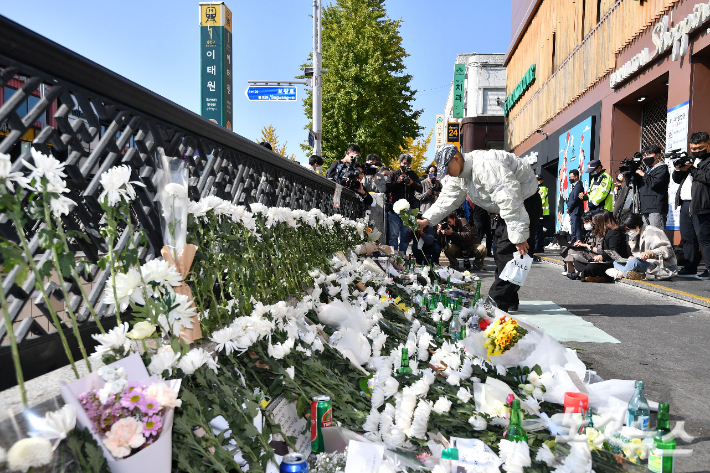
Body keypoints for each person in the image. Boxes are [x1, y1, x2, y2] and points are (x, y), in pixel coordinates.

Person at [417, 144, 541, 312]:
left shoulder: (486, 166)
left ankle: (496, 303)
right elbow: (447, 199)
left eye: (446, 168)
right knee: (498, 249)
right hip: (506, 206)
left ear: (456, 158)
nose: (446, 173)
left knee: (509, 252)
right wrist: (426, 220)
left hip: (523, 201)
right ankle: (511, 298)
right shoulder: (459, 175)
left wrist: (519, 237)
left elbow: (510, 199)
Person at [673, 131, 710, 279]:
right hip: (686, 204)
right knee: (688, 237)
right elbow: (677, 180)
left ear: (708, 144)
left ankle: (709, 268)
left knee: (705, 237)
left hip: (702, 204)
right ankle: (690, 267)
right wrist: (678, 169)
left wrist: (691, 169)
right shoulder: (691, 161)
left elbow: (707, 177)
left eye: (699, 148)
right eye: (693, 149)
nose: (696, 151)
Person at [606, 213, 678, 281]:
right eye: (625, 230)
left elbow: (667, 251)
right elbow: (638, 256)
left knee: (633, 262)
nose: (627, 232)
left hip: (661, 266)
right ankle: (639, 274)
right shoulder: (634, 236)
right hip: (645, 264)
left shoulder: (652, 231)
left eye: (628, 229)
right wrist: (634, 257)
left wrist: (650, 253)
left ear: (636, 225)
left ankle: (619, 274)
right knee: (617, 262)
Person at [569, 211, 628, 282]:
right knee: (578, 262)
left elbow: (614, 252)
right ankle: (586, 274)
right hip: (605, 260)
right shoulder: (606, 232)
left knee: (591, 267)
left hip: (613, 263)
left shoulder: (614, 234)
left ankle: (582, 274)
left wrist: (602, 257)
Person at [386, 154, 423, 253]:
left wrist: (412, 183)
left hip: (408, 209)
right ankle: (394, 256)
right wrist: (397, 182)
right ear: (399, 163)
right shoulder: (393, 174)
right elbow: (387, 188)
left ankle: (402, 255)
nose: (406, 166)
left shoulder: (413, 175)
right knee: (393, 234)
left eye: (408, 164)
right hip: (394, 209)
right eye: (404, 163)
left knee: (405, 235)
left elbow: (420, 189)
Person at [637, 144, 670, 230]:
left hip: (656, 208)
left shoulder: (662, 168)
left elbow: (654, 183)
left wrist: (643, 174)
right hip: (644, 207)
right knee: (647, 236)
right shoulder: (646, 170)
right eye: (644, 155)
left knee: (656, 236)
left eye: (649, 154)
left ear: (657, 155)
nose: (646, 157)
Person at [560, 211, 597, 276]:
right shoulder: (587, 232)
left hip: (593, 255)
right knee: (570, 248)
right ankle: (569, 270)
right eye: (584, 222)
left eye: (588, 221)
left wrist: (584, 245)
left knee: (572, 251)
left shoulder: (597, 233)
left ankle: (570, 271)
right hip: (587, 252)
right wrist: (580, 243)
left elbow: (596, 248)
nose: (586, 224)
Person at [567, 170, 585, 241]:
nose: (570, 178)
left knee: (576, 229)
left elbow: (575, 199)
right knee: (574, 229)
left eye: (571, 177)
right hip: (574, 212)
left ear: (576, 176)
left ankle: (576, 243)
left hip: (576, 211)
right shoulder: (575, 186)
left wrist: (570, 208)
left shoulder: (578, 186)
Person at [534, 175, 550, 253]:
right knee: (537, 230)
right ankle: (537, 246)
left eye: (538, 180)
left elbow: (541, 201)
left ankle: (539, 247)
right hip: (538, 213)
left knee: (538, 231)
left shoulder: (542, 189)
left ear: (541, 181)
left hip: (541, 213)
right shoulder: (536, 188)